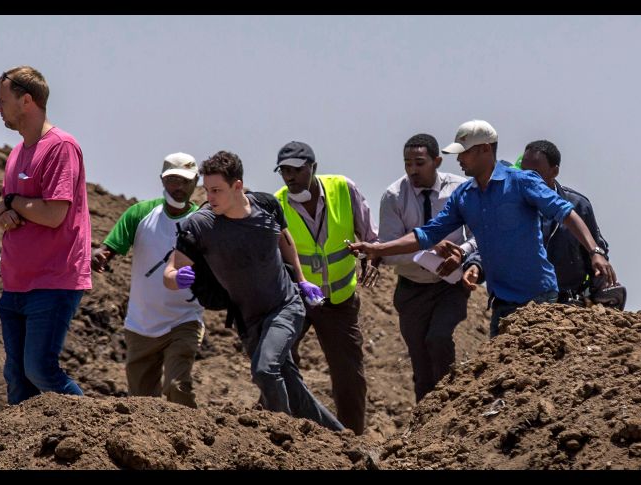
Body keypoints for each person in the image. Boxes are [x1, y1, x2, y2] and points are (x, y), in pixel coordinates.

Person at [349, 120, 616, 339]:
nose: (459, 159)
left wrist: (594, 251)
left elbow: (566, 212)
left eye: (464, 152)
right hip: (501, 301)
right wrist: (378, 249)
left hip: (539, 298)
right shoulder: (464, 196)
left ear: (485, 150)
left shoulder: (521, 182)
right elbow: (427, 234)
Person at [163, 151, 343, 431]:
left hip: (285, 306)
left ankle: (285, 435)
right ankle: (340, 438)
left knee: (265, 371)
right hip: (248, 322)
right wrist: (178, 278)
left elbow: (285, 240)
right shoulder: (199, 225)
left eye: (216, 190)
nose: (209, 197)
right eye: (207, 190)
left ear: (237, 186)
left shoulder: (267, 205)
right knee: (292, 386)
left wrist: (301, 279)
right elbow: (170, 273)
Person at [0, 66, 90, 404]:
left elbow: (53, 213)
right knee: (18, 378)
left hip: (52, 280)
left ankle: (96, 426)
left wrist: (13, 203)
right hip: (16, 284)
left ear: (27, 101)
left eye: (3, 100)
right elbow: (3, 206)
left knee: (40, 370)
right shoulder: (17, 153)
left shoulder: (61, 147)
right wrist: (3, 212)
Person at [274, 140, 378, 434]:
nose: (290, 177)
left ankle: (352, 440)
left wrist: (372, 258)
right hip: (297, 299)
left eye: (297, 170)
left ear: (313, 168)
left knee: (349, 375)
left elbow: (370, 237)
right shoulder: (277, 203)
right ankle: (277, 428)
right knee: (277, 360)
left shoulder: (343, 189)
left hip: (338, 301)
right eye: (284, 171)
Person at [91, 152, 204, 408]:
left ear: (196, 182)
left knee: (177, 387)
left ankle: (189, 431)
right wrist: (100, 256)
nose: (179, 187)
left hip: (184, 319)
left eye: (186, 181)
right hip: (142, 323)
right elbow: (110, 248)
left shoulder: (202, 222)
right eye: (173, 180)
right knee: (141, 403)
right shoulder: (140, 213)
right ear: (162, 180)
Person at [378, 133, 477, 403]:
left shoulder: (460, 189)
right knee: (421, 363)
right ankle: (426, 419)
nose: (413, 170)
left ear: (437, 161)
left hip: (450, 285)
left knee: (439, 338)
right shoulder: (394, 196)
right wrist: (429, 251)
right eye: (407, 163)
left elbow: (478, 234)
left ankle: (452, 402)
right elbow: (388, 251)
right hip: (413, 289)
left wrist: (462, 253)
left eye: (419, 163)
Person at [518, 140, 621, 307]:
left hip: (567, 306)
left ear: (554, 171)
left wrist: (599, 266)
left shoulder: (578, 205)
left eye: (535, 172)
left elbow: (597, 255)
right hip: (520, 304)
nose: (527, 178)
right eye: (523, 171)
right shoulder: (510, 205)